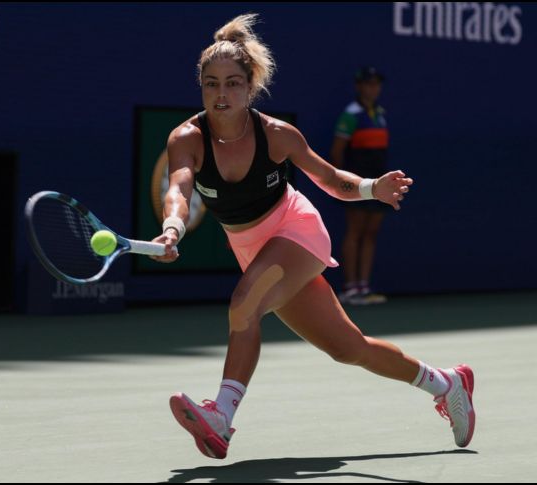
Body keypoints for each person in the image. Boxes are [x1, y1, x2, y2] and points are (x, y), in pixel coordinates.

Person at [151, 14, 475, 460]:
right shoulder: (186, 137)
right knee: (349, 348)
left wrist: (370, 188)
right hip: (252, 249)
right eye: (211, 84)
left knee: (244, 305)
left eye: (232, 84)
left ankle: (220, 418)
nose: (221, 94)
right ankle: (448, 383)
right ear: (201, 87)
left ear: (251, 87)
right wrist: (173, 226)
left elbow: (329, 178)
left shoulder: (277, 134)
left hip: (294, 231)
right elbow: (178, 188)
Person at [330, 66, 390, 305]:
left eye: (376, 83)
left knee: (371, 233)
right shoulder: (350, 115)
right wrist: (346, 184)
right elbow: (336, 153)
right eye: (368, 83)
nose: (373, 88)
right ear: (359, 86)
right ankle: (350, 288)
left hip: (378, 183)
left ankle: (363, 287)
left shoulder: (381, 113)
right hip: (358, 183)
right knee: (355, 232)